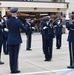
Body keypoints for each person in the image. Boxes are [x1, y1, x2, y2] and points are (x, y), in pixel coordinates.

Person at [7, 8, 27, 73]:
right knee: (15, 55)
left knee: (11, 56)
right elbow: (24, 28)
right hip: (16, 40)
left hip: (10, 40)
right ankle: (15, 69)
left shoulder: (8, 21)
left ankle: (11, 69)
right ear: (16, 13)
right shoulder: (18, 21)